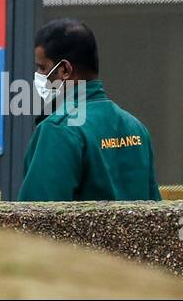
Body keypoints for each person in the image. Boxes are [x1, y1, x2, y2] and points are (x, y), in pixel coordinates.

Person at [17, 18, 161, 201]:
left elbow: (34, 220)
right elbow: (156, 212)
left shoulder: (59, 130)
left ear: (64, 70)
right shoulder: (136, 128)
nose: (38, 75)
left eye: (42, 67)